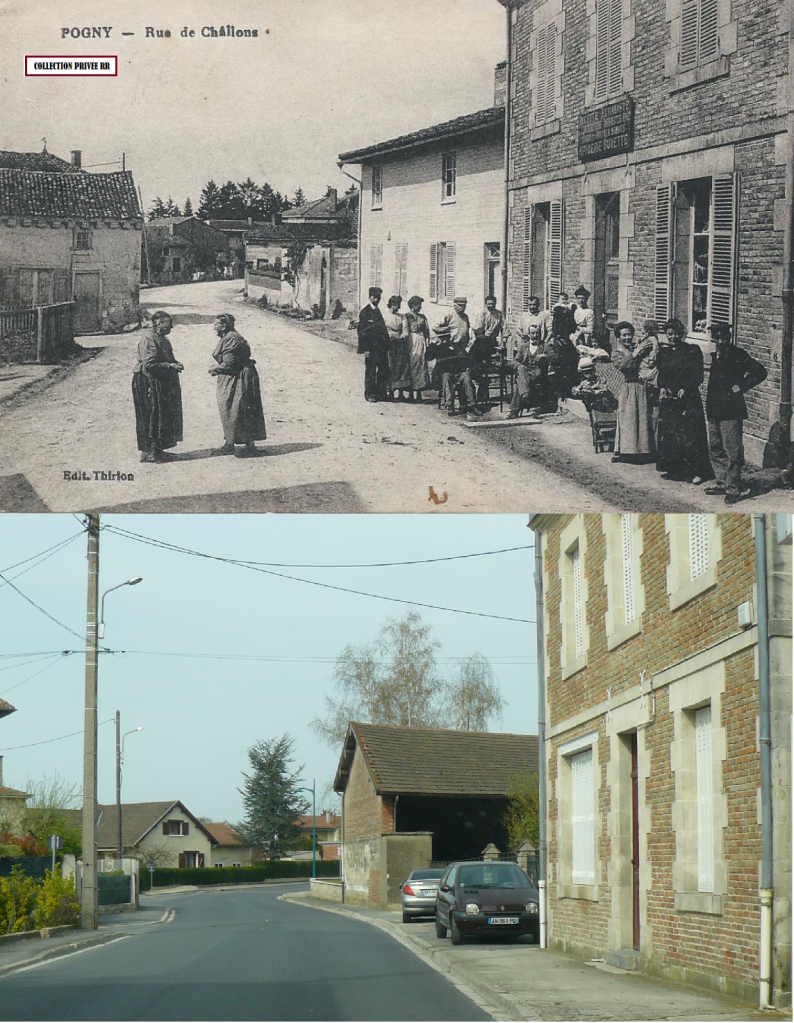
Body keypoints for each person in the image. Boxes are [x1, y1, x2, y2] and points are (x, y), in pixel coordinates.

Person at [704, 323, 767, 504]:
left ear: (729, 338)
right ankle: (723, 482)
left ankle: (733, 489)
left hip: (732, 410)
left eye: (724, 337)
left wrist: (742, 387)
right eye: (717, 338)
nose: (720, 341)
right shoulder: (715, 356)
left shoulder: (739, 355)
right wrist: (709, 409)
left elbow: (760, 372)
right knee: (715, 449)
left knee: (733, 452)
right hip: (715, 409)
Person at [656, 317, 713, 484]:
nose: (672, 337)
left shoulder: (692, 350)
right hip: (670, 399)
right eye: (669, 334)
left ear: (681, 334)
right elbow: (662, 374)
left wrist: (686, 388)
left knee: (691, 434)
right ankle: (676, 469)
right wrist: (662, 387)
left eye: (675, 334)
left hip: (688, 399)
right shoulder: (664, 352)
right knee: (672, 434)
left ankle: (698, 471)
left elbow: (697, 374)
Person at [596, 321, 657, 463]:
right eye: (624, 335)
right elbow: (624, 366)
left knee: (642, 418)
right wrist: (636, 353)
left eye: (629, 334)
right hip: (629, 387)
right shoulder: (617, 353)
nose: (627, 338)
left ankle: (643, 451)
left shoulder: (637, 347)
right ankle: (626, 451)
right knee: (628, 419)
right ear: (618, 338)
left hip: (642, 386)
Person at [209, 314, 266, 457]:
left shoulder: (232, 339)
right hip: (233, 377)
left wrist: (215, 368)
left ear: (224, 326)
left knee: (240, 410)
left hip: (239, 378)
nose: (213, 327)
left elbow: (230, 363)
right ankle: (230, 443)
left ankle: (249, 446)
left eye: (216, 324)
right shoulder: (227, 337)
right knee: (230, 410)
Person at [132, 310, 184, 463]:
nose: (171, 327)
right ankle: (151, 453)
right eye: (169, 324)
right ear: (159, 324)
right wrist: (170, 366)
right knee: (151, 416)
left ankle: (157, 450)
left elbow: (167, 358)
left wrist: (175, 363)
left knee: (162, 415)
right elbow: (149, 364)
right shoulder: (149, 339)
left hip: (160, 381)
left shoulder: (163, 339)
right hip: (148, 381)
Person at [507, 324, 548, 419]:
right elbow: (514, 360)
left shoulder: (544, 345)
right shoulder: (524, 346)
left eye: (537, 333)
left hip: (538, 372)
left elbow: (552, 357)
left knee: (520, 383)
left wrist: (544, 356)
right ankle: (525, 395)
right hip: (526, 372)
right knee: (521, 369)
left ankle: (515, 410)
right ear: (529, 334)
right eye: (533, 333)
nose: (535, 335)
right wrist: (519, 365)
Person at [470, 295, 505, 407]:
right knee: (477, 358)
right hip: (481, 341)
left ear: (495, 303)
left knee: (485, 363)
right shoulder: (482, 314)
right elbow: (477, 330)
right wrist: (483, 336)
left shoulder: (499, 314)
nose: (491, 305)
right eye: (489, 303)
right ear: (486, 304)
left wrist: (503, 340)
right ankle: (478, 382)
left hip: (492, 342)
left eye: (492, 303)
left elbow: (505, 329)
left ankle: (482, 388)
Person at [357, 287, 390, 402]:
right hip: (370, 347)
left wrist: (388, 345)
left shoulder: (378, 311)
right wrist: (365, 349)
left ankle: (381, 393)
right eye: (375, 297)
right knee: (370, 370)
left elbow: (383, 330)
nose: (377, 299)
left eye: (379, 297)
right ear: (370, 297)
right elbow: (361, 332)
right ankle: (370, 394)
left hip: (381, 347)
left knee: (383, 370)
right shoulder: (365, 312)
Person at [383, 295, 411, 400]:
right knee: (390, 367)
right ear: (390, 304)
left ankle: (400, 393)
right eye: (394, 305)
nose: (396, 307)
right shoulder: (385, 316)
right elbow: (383, 330)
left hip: (400, 344)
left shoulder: (402, 317)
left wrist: (401, 337)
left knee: (401, 367)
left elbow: (405, 330)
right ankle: (390, 391)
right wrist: (389, 337)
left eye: (398, 305)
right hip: (389, 345)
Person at [404, 296, 431, 401]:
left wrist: (427, 343)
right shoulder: (406, 317)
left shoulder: (422, 317)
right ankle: (410, 393)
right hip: (411, 341)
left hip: (421, 341)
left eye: (420, 305)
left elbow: (426, 331)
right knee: (411, 365)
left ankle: (419, 393)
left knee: (421, 365)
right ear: (412, 305)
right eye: (418, 304)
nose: (419, 307)